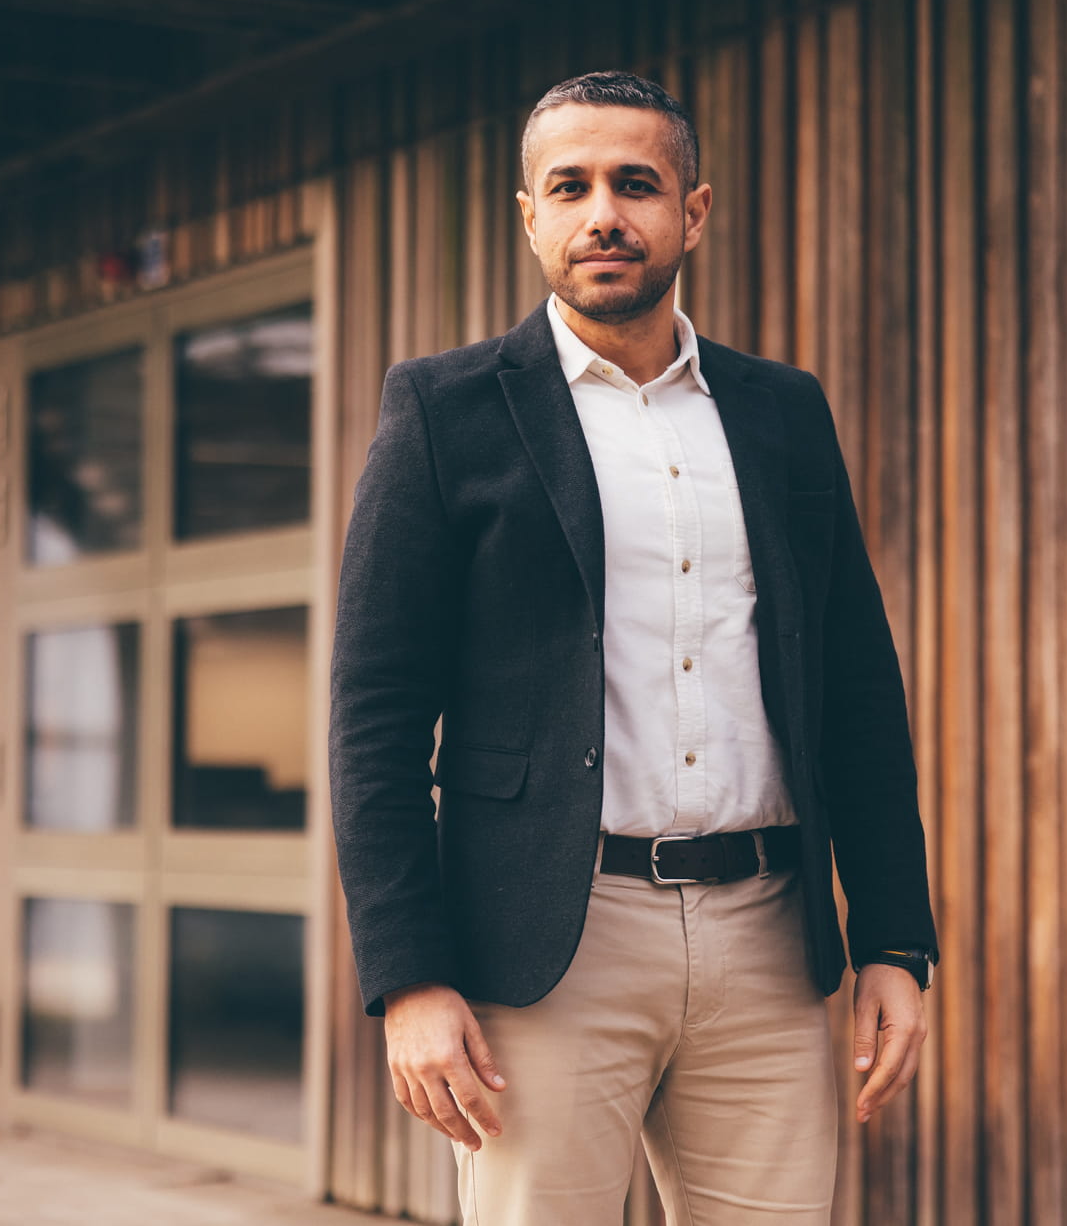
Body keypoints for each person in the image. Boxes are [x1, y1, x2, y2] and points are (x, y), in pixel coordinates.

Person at [329, 70, 937, 1225]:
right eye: (571, 185)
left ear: (691, 212)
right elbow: (375, 712)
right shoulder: (444, 412)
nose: (602, 211)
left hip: (769, 932)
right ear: (531, 215)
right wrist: (408, 977)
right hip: (550, 942)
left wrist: (896, 941)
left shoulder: (780, 411)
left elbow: (856, 687)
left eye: (634, 184)